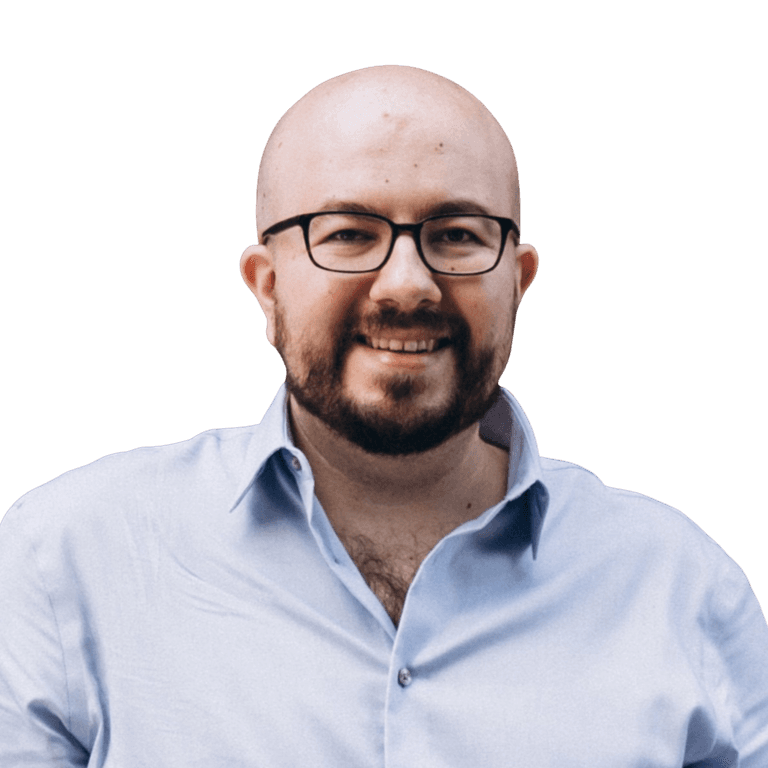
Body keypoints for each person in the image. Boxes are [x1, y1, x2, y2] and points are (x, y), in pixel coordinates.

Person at [0, 64, 766, 767]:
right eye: (347, 234)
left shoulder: (681, 587)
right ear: (267, 286)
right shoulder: (66, 561)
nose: (407, 284)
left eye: (457, 236)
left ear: (518, 281)